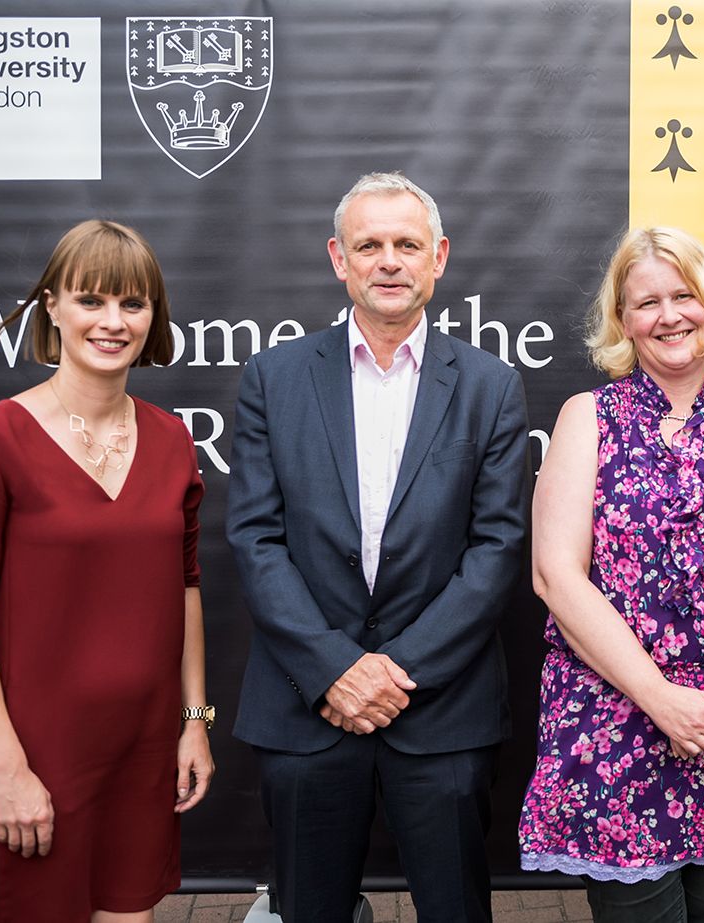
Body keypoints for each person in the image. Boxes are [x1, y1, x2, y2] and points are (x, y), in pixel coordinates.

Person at [227, 171, 529, 922]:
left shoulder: (491, 385)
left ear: (439, 257)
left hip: (442, 709)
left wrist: (395, 671)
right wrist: (336, 669)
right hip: (308, 706)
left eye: (406, 244)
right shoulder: (275, 377)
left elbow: (496, 547)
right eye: (369, 244)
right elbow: (256, 538)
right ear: (339, 258)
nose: (388, 260)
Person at [518, 226, 704, 923]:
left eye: (684, 294)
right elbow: (555, 576)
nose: (669, 315)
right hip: (617, 722)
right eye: (646, 301)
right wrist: (661, 699)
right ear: (623, 321)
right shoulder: (586, 419)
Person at [0, 220, 214, 923]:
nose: (113, 321)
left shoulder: (171, 437)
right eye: (92, 300)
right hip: (35, 754)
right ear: (52, 305)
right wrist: (6, 767)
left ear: (154, 316)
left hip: (144, 748)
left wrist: (194, 721)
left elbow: (185, 586)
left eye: (133, 303)